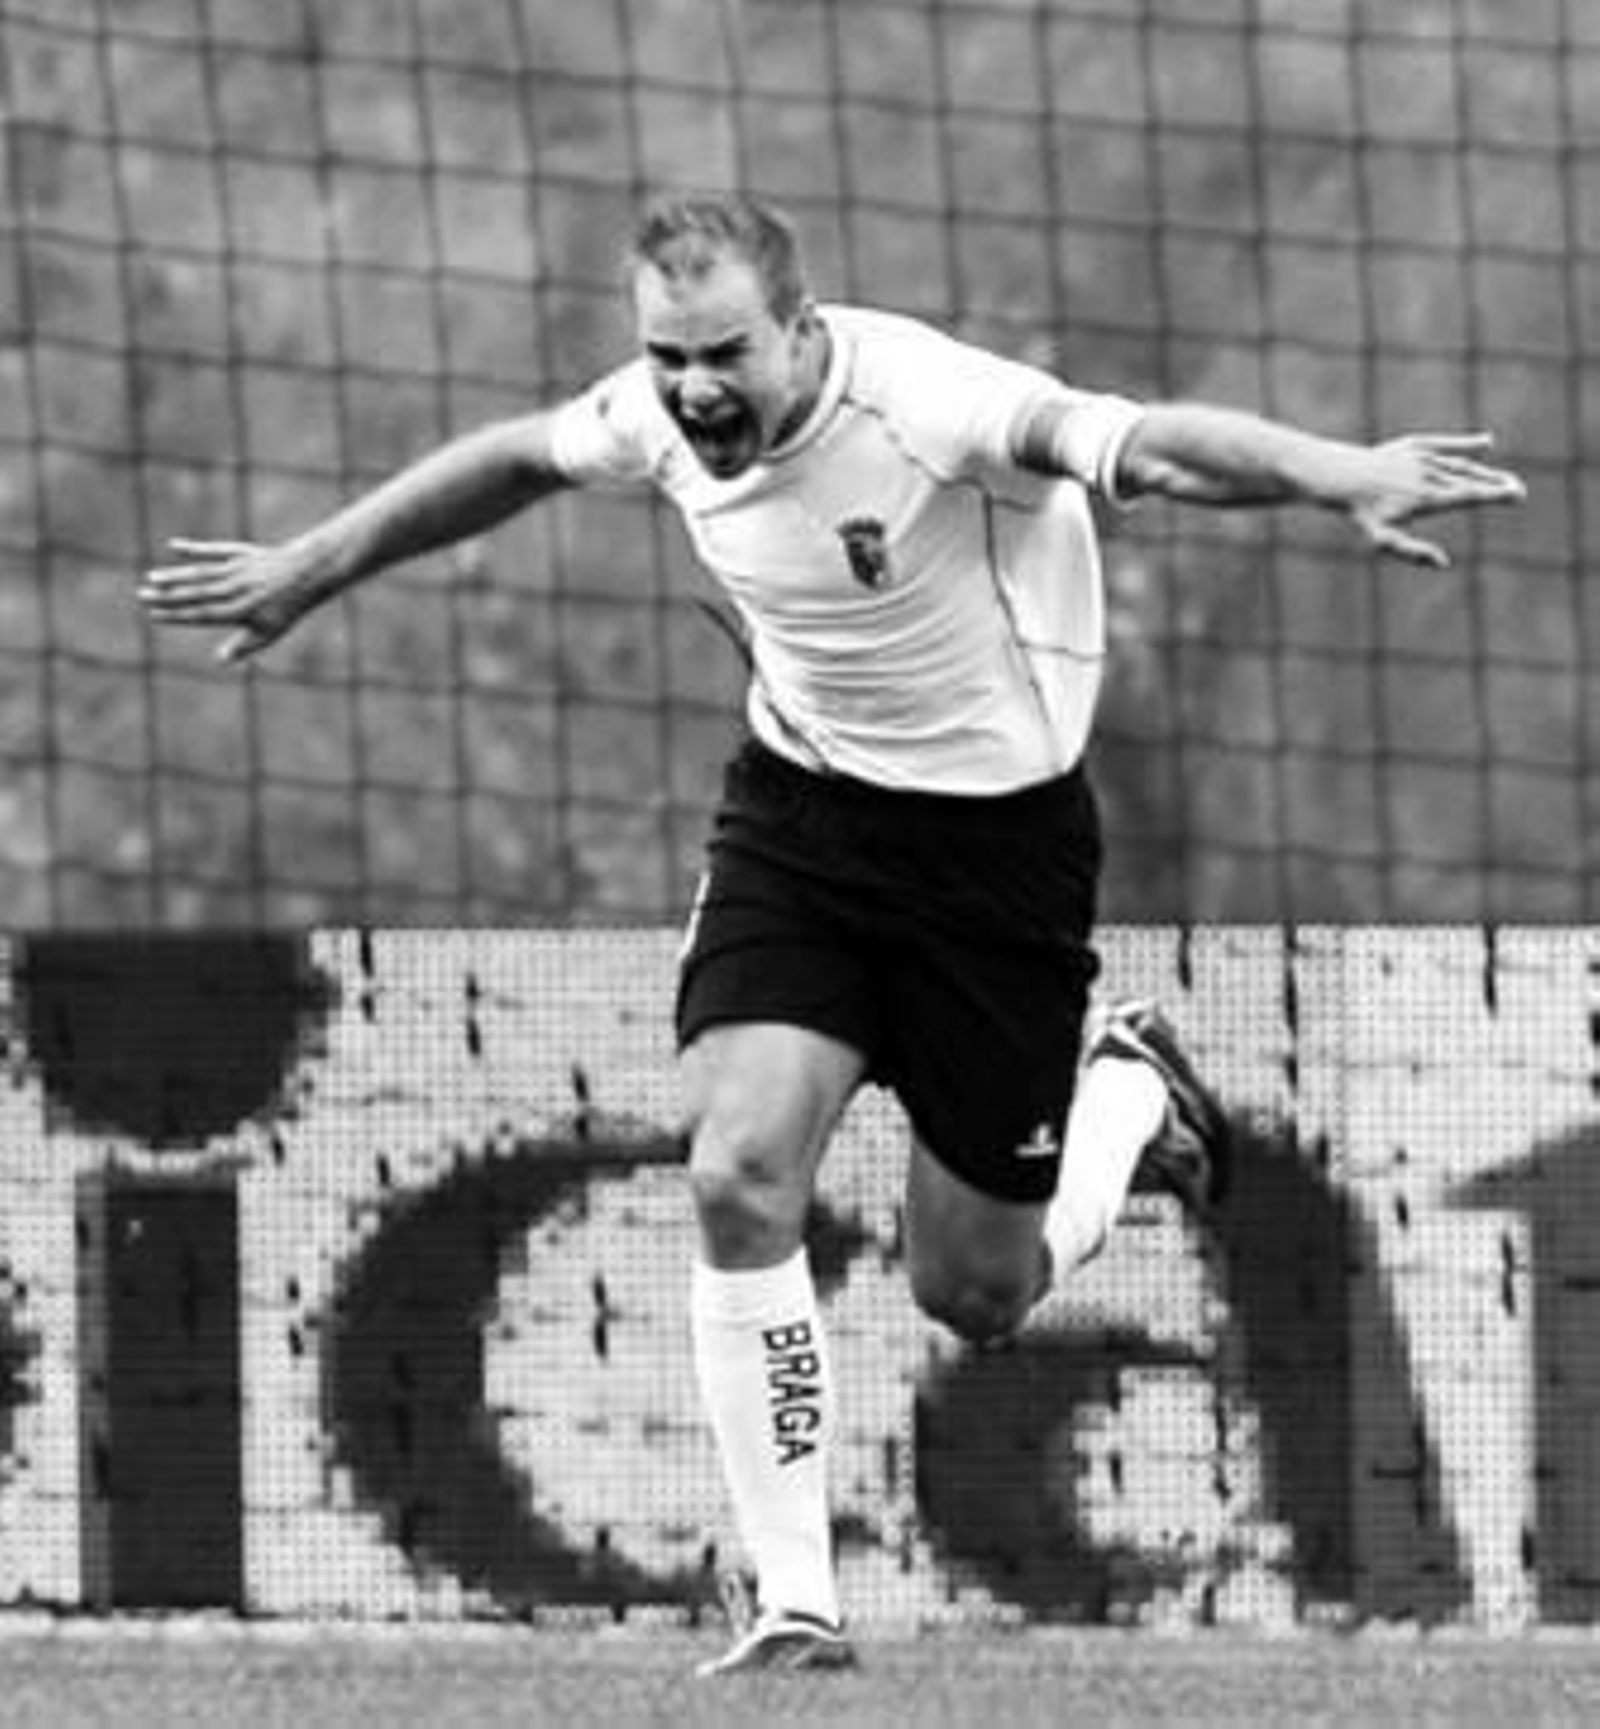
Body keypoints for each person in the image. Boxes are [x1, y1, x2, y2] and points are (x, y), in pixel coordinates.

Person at [139, 194, 1525, 1676]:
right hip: (798, 830)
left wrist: (1337, 475)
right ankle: (797, 1599)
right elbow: (515, 461)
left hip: (998, 863)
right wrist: (311, 565)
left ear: (802, 330)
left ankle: (1127, 1091)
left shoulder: (930, 402)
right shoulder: (660, 418)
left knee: (974, 1292)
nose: (693, 388)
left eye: (725, 350)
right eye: (668, 353)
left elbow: (1159, 448)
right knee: (736, 1164)